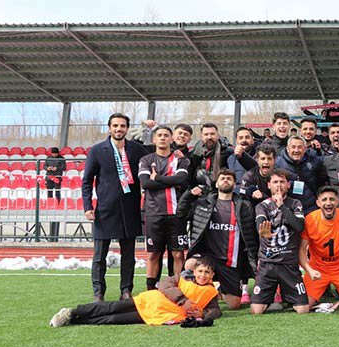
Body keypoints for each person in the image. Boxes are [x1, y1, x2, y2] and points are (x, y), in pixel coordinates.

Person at [82, 113, 149, 302]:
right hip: (105, 209)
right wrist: (88, 206)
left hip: (130, 209)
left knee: (128, 256)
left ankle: (126, 290)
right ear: (109, 128)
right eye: (115, 126)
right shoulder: (97, 150)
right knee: (99, 256)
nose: (119, 129)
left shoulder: (137, 149)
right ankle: (98, 293)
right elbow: (87, 181)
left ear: (127, 128)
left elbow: (157, 154)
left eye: (122, 126)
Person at [50, 257, 221, 327]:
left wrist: (203, 314)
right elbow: (164, 284)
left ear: (212, 275)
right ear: (194, 271)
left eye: (207, 273)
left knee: (113, 319)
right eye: (200, 271)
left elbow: (215, 311)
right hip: (150, 301)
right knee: (111, 307)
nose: (203, 275)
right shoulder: (182, 278)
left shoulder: (211, 291)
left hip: (160, 314)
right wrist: (184, 300)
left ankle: (77, 320)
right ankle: (72, 311)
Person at [177, 169, 259, 310]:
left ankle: (217, 289)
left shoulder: (244, 206)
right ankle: (189, 297)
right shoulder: (204, 203)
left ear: (234, 184)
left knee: (234, 305)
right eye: (222, 178)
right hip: (208, 256)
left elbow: (251, 231)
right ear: (216, 184)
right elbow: (180, 214)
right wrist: (188, 195)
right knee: (190, 264)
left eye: (229, 178)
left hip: (230, 262)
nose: (225, 180)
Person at [137, 125, 189, 290]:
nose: (162, 138)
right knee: (154, 253)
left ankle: (178, 288)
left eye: (166, 135)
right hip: (153, 213)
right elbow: (146, 183)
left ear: (171, 139)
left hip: (176, 213)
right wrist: (170, 181)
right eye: (159, 135)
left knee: (178, 253)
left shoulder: (181, 159)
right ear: (154, 139)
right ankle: (151, 289)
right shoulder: (146, 160)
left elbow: (181, 180)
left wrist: (158, 178)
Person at [251, 169, 310, 315]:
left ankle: (284, 298)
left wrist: (282, 206)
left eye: (282, 182)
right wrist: (262, 231)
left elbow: (299, 226)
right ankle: (273, 299)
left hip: (288, 263)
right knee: (256, 310)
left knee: (303, 310)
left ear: (288, 185)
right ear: (269, 185)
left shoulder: (295, 203)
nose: (279, 185)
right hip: (268, 263)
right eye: (275, 182)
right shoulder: (262, 205)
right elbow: (260, 222)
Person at [299, 186, 339, 310]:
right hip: (318, 269)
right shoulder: (310, 219)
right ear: (318, 203)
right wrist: (309, 270)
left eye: (332, 199)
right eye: (324, 200)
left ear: (337, 201)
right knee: (302, 307)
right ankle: (324, 304)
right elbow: (301, 250)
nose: (328, 203)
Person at [274, 136, 327, 214]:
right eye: (293, 147)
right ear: (287, 149)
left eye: (300, 147)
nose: (296, 150)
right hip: (289, 209)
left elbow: (321, 180)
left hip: (311, 208)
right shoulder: (278, 163)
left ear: (305, 149)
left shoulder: (314, 160)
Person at [187, 123, 233, 189]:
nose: (209, 137)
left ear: (218, 135)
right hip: (199, 190)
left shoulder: (228, 152)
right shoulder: (195, 152)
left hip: (220, 190)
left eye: (212, 134)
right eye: (206, 134)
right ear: (201, 137)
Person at [44, 146, 66, 242]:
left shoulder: (62, 159)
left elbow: (64, 167)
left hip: (57, 176)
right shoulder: (48, 158)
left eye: (55, 153)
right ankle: (50, 204)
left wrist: (56, 168)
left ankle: (58, 204)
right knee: (49, 191)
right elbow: (44, 166)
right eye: (53, 153)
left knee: (57, 191)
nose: (54, 155)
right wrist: (48, 168)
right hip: (49, 177)